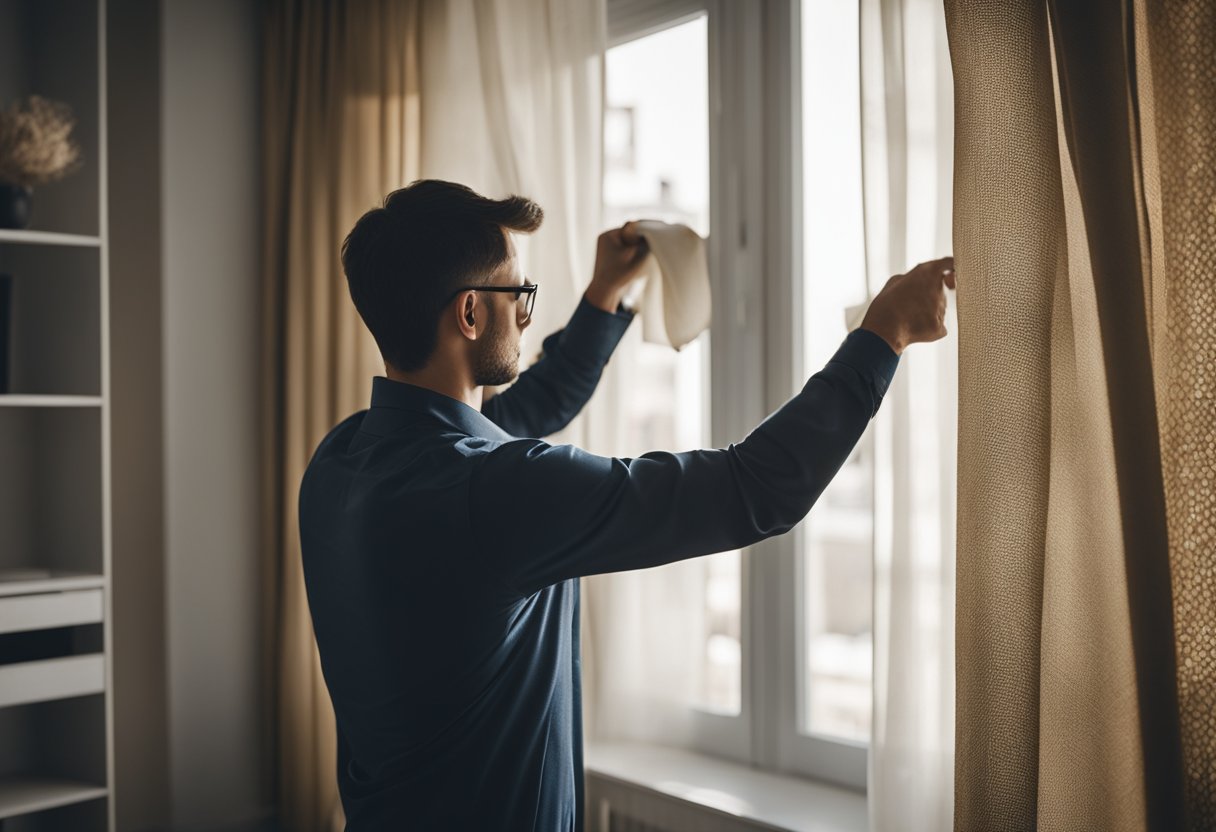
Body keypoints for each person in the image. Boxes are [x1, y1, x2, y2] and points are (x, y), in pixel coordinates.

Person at [298, 179, 954, 831]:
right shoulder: (496, 490)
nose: (526, 314)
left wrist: (604, 294)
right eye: (519, 295)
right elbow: (754, 488)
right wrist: (884, 333)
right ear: (469, 314)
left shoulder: (340, 462)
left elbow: (520, 411)